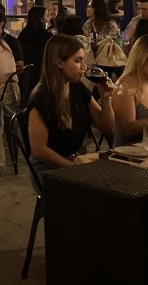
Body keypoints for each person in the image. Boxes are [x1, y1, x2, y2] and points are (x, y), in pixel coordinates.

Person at [26, 34, 115, 183]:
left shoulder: (77, 88)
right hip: (48, 166)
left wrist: (106, 98)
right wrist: (74, 167)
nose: (84, 67)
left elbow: (107, 127)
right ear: (59, 63)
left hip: (77, 157)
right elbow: (39, 150)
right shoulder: (41, 98)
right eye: (78, 60)